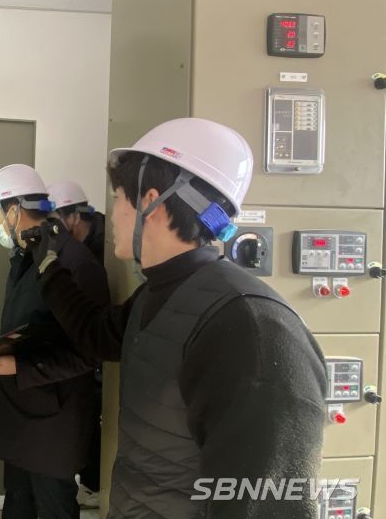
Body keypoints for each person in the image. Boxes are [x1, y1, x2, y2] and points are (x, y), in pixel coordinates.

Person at [28, 118, 328, 518]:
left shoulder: (251, 327)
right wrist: (49, 267)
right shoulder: (160, 292)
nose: (111, 214)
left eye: (118, 197)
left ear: (150, 201)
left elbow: (269, 504)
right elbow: (97, 334)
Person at [0, 164, 110, 519]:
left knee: (53, 507)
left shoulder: (76, 264)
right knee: (18, 503)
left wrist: (19, 367)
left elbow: (89, 353)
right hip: (21, 407)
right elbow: (23, 322)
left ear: (14, 210)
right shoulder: (27, 253)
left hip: (55, 421)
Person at [48, 180, 107, 505]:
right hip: (88, 346)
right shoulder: (72, 247)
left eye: (55, 218)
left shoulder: (103, 248)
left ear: (73, 216)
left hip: (102, 347)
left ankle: (95, 484)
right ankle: (91, 482)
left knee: (94, 414)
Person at [48, 180, 105, 263]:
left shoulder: (108, 247)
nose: (50, 227)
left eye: (52, 220)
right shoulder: (70, 248)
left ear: (74, 217)